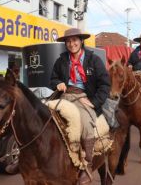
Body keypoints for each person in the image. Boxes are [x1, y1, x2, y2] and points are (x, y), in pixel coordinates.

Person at [50, 28, 110, 185]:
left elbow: (105, 84)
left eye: (75, 40)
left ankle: (87, 165)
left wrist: (95, 102)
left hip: (84, 97)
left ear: (81, 41)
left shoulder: (93, 60)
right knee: (41, 112)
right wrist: (58, 83)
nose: (71, 44)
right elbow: (52, 79)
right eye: (68, 41)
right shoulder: (61, 60)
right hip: (64, 95)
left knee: (85, 122)